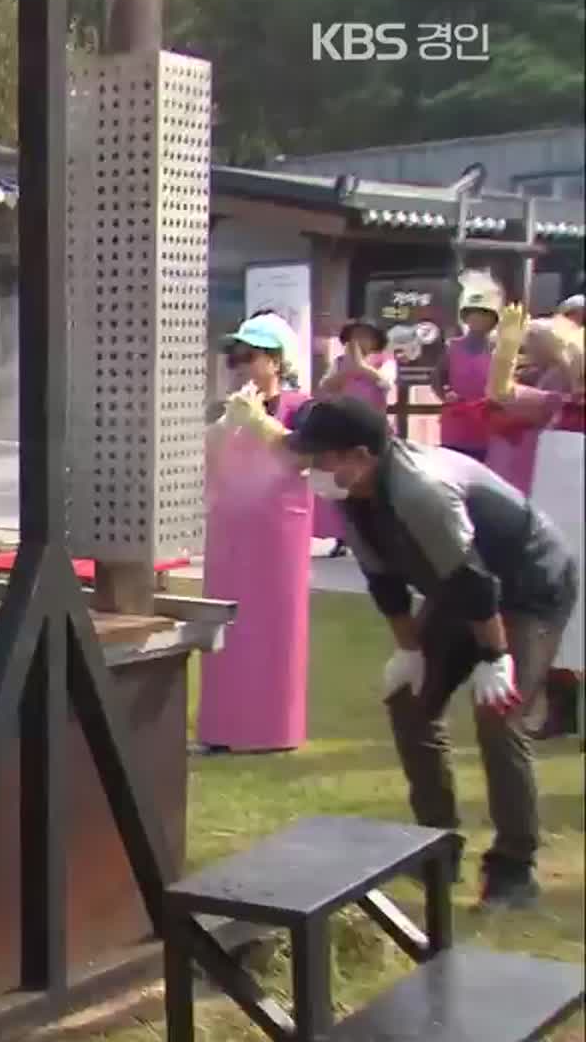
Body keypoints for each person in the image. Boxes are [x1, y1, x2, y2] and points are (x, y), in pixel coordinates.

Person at [289, 395, 577, 907]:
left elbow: (474, 580)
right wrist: (410, 652)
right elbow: (384, 581)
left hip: (530, 586)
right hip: (463, 591)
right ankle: (435, 848)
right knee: (409, 702)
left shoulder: (422, 491)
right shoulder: (352, 493)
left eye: (319, 457)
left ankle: (514, 867)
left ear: (358, 455)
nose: (310, 469)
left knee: (498, 715)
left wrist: (495, 657)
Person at [198, 312, 311, 753]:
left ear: (277, 361)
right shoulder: (223, 409)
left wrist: (261, 422)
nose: (241, 365)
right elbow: (199, 453)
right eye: (236, 358)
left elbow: (303, 455)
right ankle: (221, 728)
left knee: (273, 628)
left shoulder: (302, 407)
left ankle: (272, 729)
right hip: (230, 527)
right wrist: (227, 424)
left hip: (279, 531)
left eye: (251, 356)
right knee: (226, 625)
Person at [488, 307, 585, 740]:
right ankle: (561, 715)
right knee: (561, 621)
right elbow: (502, 394)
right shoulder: (554, 405)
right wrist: (506, 348)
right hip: (560, 524)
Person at [313, 318, 397, 555]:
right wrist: (347, 371)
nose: (359, 341)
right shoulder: (339, 363)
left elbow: (386, 383)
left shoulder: (385, 361)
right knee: (343, 485)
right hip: (344, 431)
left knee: (374, 485)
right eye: (354, 336)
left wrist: (362, 368)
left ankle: (379, 536)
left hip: (374, 431)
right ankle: (343, 536)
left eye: (365, 336)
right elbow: (325, 386)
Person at [431, 270, 502, 461]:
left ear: (492, 321)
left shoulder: (500, 351)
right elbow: (437, 378)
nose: (478, 319)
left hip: (487, 424)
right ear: (467, 318)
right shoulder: (451, 347)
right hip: (456, 421)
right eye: (474, 315)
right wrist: (445, 395)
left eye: (484, 315)